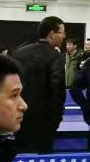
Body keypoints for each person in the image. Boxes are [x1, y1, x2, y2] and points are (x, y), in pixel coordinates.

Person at [12, 16, 66, 154]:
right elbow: (57, 90)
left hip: (18, 117)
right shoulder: (54, 56)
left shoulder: (19, 53)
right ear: (52, 34)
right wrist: (56, 120)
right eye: (62, 33)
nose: (64, 37)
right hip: (44, 121)